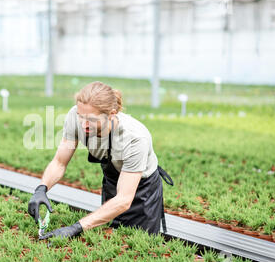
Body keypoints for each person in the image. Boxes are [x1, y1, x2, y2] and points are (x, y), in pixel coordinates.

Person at [28, 81, 174, 239]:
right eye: (80, 117)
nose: (83, 124)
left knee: (137, 242)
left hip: (142, 191)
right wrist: (41, 189)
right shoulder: (75, 116)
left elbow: (124, 199)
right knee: (108, 235)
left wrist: (76, 227)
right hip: (112, 182)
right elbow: (59, 162)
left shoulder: (134, 139)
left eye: (90, 119)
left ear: (111, 114)